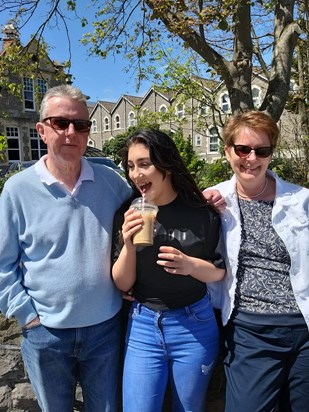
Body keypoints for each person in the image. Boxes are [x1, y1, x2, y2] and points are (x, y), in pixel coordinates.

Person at [0, 85, 132, 412]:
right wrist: (26, 315)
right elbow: (3, 265)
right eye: (61, 123)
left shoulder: (112, 182)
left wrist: (208, 197)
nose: (72, 132)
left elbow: (156, 200)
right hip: (45, 335)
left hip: (105, 329)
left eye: (81, 124)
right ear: (42, 130)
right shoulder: (17, 190)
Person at [111, 128, 226, 412]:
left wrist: (189, 265)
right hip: (144, 325)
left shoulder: (202, 212)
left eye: (144, 164)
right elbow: (122, 283)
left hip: (194, 325)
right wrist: (127, 244)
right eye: (131, 165)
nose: (136, 174)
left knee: (188, 408)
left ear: (167, 165)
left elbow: (218, 271)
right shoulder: (128, 212)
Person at [204, 110, 309, 412]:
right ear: (227, 151)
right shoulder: (213, 201)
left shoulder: (301, 200)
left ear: (270, 154)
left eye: (261, 151)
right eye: (243, 149)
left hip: (303, 328)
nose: (251, 158)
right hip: (250, 329)